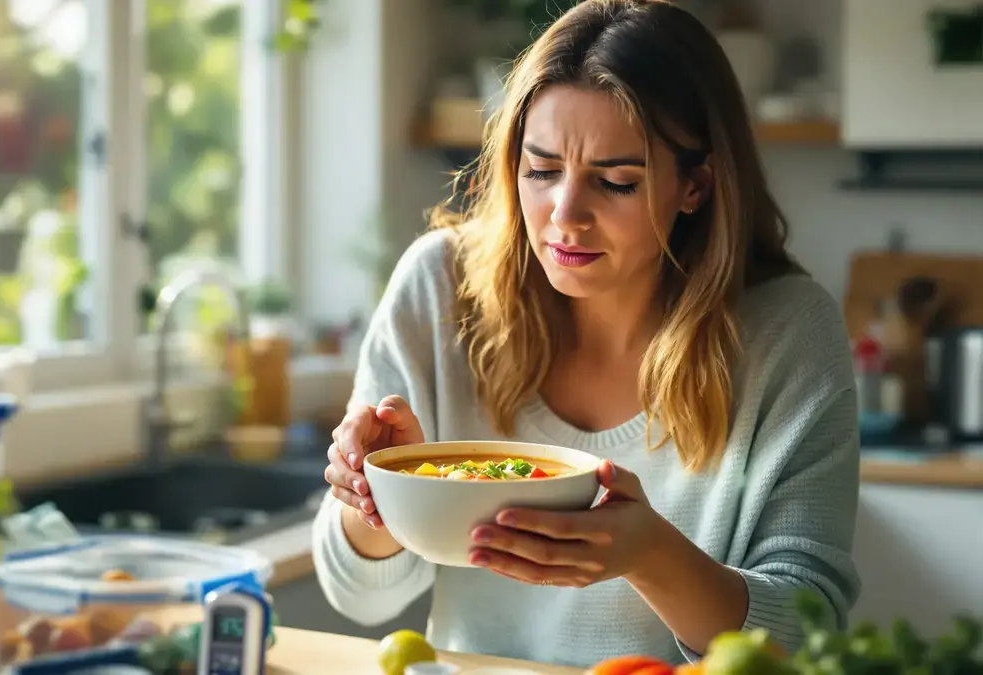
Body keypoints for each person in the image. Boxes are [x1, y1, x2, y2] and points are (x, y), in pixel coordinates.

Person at [313, 0, 860, 668]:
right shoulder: (438, 287)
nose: (565, 215)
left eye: (616, 181)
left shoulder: (790, 333)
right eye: (541, 170)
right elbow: (356, 592)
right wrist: (382, 494)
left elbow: (807, 633)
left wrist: (651, 554)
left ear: (695, 185)